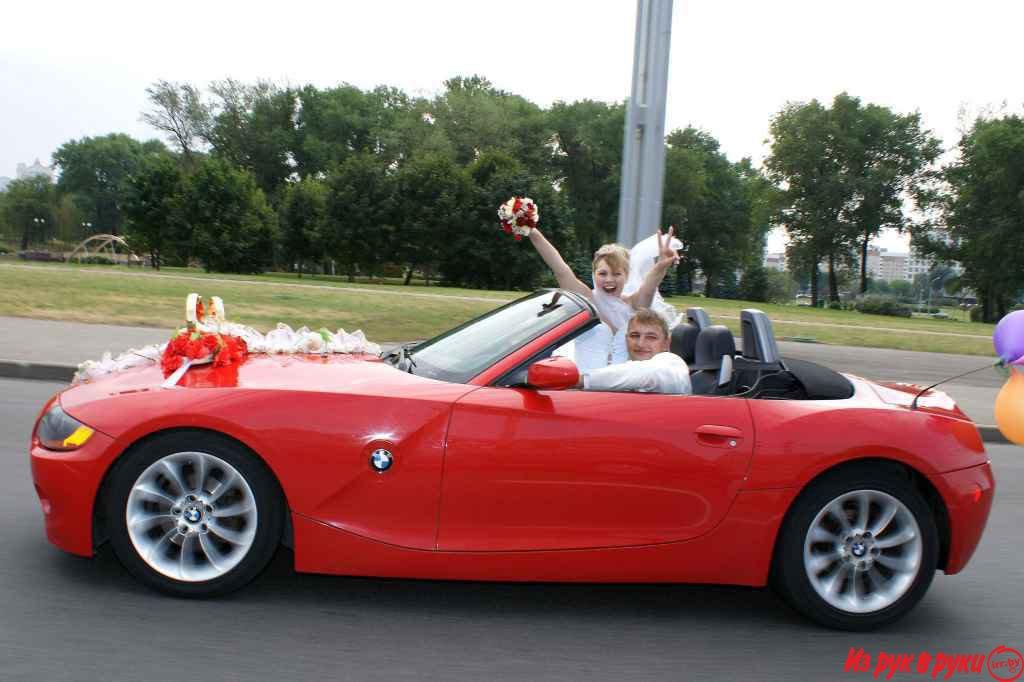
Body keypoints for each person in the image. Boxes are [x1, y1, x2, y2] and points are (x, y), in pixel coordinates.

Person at [528, 227, 680, 371]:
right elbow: (561, 270)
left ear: (626, 276)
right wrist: (532, 232)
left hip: (622, 387)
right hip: (583, 384)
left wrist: (661, 266)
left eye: (616, 274)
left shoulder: (634, 304)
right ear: (594, 274)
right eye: (603, 273)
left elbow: (649, 287)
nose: (609, 279)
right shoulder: (587, 300)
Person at [578, 308, 691, 394]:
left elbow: (648, 374)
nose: (640, 344)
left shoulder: (672, 363)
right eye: (635, 335)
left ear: (667, 343)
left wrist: (580, 380)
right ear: (626, 339)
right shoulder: (628, 367)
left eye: (651, 337)